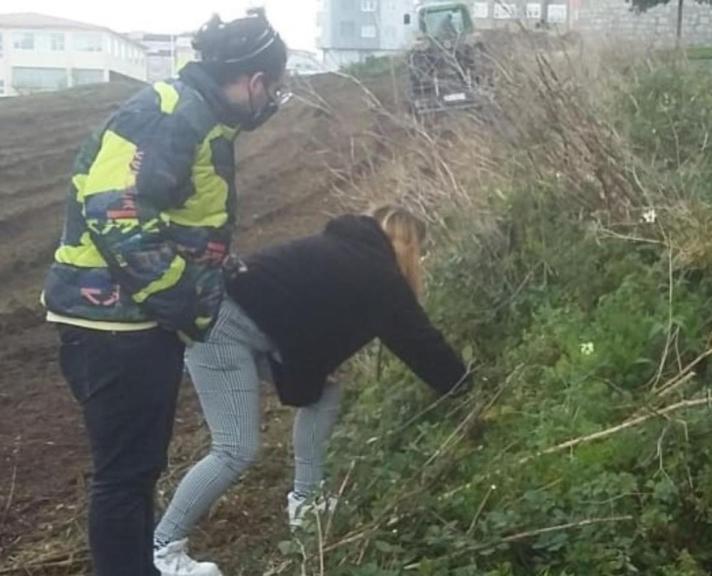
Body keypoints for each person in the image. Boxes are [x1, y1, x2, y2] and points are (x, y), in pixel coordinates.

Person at [42, 9, 289, 576]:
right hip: (113, 327)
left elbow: (182, 215)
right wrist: (179, 295)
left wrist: (211, 271)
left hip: (132, 323)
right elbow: (113, 208)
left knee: (137, 469)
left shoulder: (201, 117)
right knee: (124, 476)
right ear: (255, 82)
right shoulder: (173, 115)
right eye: (274, 87)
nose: (273, 99)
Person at [151, 206, 470, 575]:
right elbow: (420, 342)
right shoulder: (379, 275)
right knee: (235, 449)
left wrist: (311, 372)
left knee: (325, 390)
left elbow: (303, 321)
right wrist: (463, 386)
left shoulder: (341, 247)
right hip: (219, 329)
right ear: (409, 245)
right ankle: (161, 549)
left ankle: (307, 502)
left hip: (241, 321)